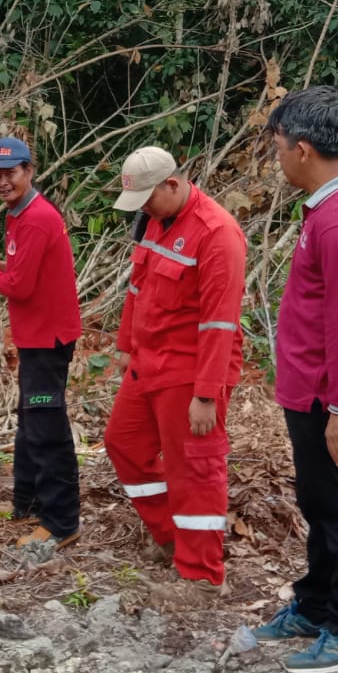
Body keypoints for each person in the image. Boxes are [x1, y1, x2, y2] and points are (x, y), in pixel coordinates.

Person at [254, 86, 338, 673]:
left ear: (304, 149)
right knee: (318, 501)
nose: (277, 158)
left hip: (326, 397)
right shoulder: (333, 207)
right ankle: (316, 603)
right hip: (313, 390)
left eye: (279, 147)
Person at [104, 146, 246, 596]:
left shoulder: (217, 233)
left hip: (189, 370)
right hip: (148, 362)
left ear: (173, 183)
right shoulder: (155, 222)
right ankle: (169, 535)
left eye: (148, 198)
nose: (143, 209)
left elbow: (221, 322)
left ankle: (201, 573)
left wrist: (206, 394)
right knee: (122, 442)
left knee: (195, 469)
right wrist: (126, 345)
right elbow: (137, 287)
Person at [0, 136, 82, 550]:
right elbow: (24, 266)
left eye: (9, 173)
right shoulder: (20, 212)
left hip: (47, 339)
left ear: (29, 171)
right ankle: (27, 501)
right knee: (31, 421)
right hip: (37, 335)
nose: (1, 182)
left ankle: (61, 521)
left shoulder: (35, 217)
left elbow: (22, 286)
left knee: (47, 427)